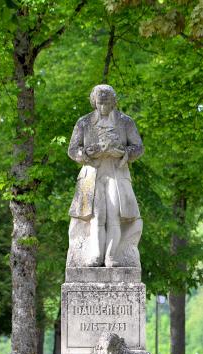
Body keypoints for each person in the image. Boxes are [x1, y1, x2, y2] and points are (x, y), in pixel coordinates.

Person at [67, 84, 144, 267]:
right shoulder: (84, 122)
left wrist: (123, 152)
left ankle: (111, 256)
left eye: (107, 102)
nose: (103, 106)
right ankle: (96, 255)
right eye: (100, 102)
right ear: (94, 101)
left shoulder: (126, 122)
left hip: (117, 173)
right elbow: (72, 150)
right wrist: (86, 153)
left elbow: (138, 148)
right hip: (91, 175)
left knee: (115, 214)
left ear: (113, 102)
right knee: (97, 216)